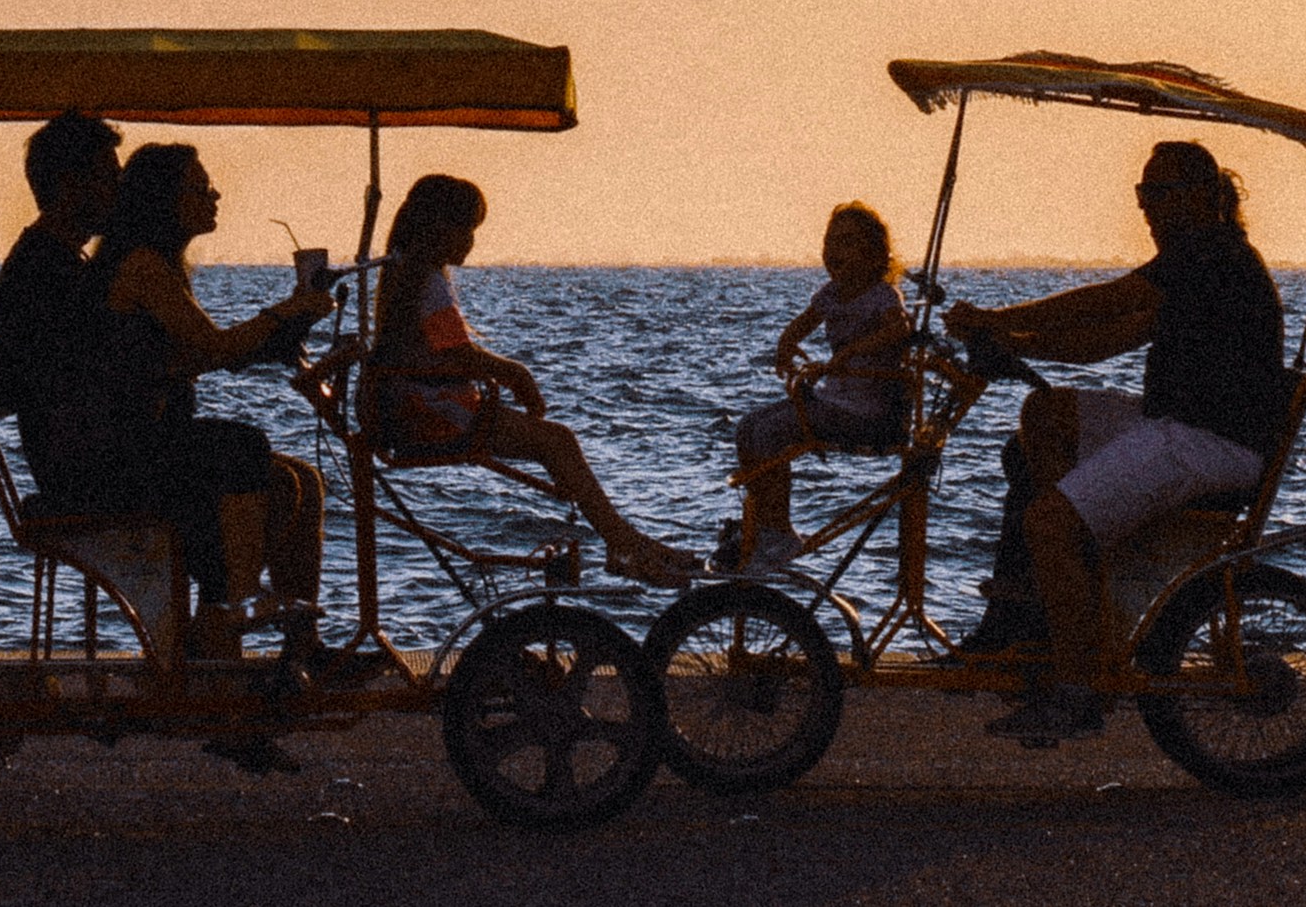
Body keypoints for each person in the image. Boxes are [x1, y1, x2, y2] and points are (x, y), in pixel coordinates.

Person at [943, 139, 1289, 744]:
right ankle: (1057, 605)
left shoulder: (1210, 255)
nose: (1147, 207)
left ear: (1204, 196)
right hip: (1185, 425)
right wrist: (1016, 343)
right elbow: (1105, 340)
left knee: (1049, 522)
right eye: (1142, 193)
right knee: (1047, 414)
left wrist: (1000, 319)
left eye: (1160, 193)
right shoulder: (1199, 262)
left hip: (1207, 441)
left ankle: (1078, 689)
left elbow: (1111, 300)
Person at [369, 173, 698, 591]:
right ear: (438, 228)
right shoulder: (427, 281)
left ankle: (626, 541)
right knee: (556, 441)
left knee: (556, 443)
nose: (470, 241)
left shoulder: (403, 274)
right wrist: (516, 374)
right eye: (465, 230)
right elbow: (457, 353)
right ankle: (623, 544)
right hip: (430, 412)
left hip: (413, 404)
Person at [74, 142, 336, 655]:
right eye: (200, 187)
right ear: (162, 200)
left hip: (147, 441)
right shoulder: (143, 265)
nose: (215, 195)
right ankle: (231, 609)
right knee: (244, 447)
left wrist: (286, 327)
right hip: (119, 454)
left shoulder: (162, 265)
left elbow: (197, 356)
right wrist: (285, 311)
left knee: (303, 480)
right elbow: (212, 347)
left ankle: (301, 646)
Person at [728, 201, 911, 575]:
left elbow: (901, 330)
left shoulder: (881, 297)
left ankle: (780, 533)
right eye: (830, 241)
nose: (833, 251)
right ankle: (764, 526)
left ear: (875, 254)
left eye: (847, 242)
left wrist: (855, 351)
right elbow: (800, 326)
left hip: (868, 411)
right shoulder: (829, 294)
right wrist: (785, 346)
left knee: (768, 435)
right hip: (834, 401)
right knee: (747, 429)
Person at [0, 107, 120, 441]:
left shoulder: (45, 259)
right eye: (110, 178)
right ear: (70, 184)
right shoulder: (47, 272)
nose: (120, 190)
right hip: (87, 463)